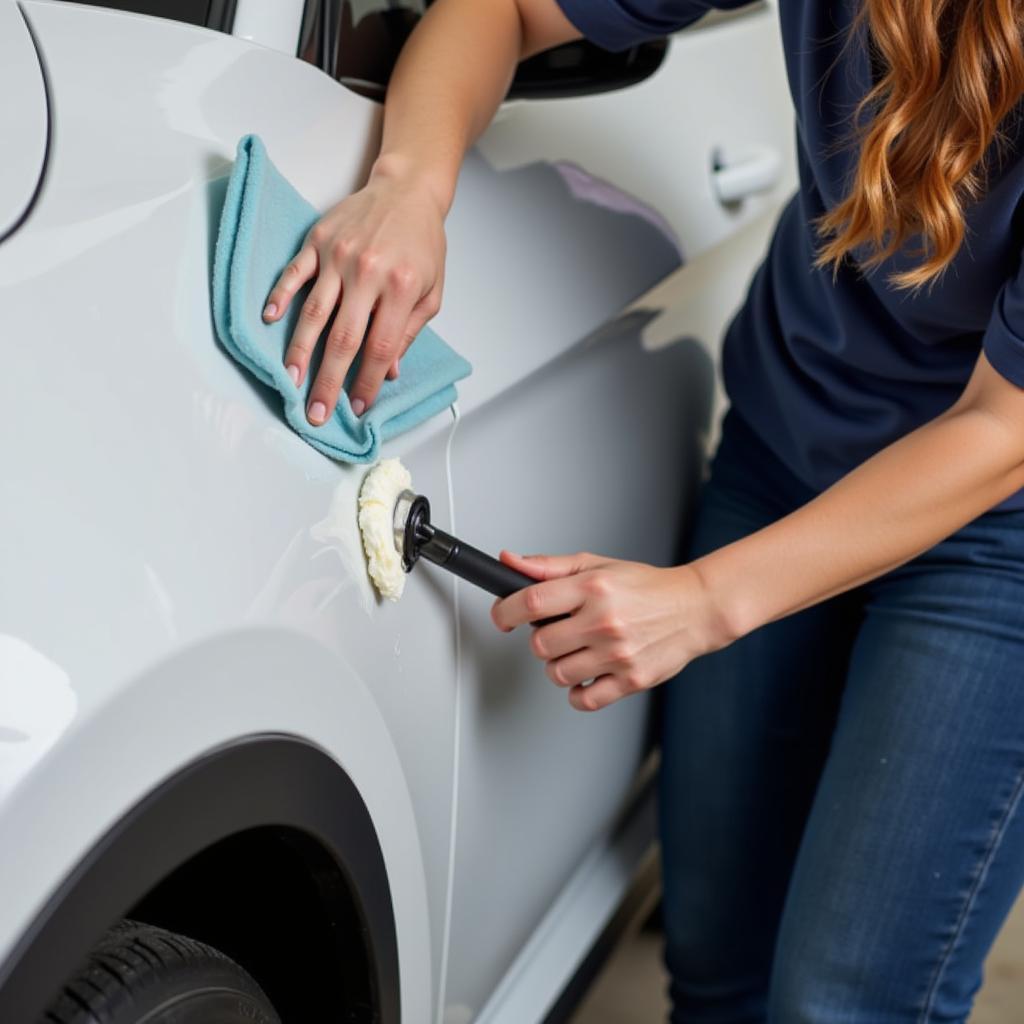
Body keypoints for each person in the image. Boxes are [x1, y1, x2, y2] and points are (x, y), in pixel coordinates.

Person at [263, 1, 1024, 1019]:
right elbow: (508, 7)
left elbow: (999, 430)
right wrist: (409, 184)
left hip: (997, 539)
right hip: (787, 445)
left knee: (840, 1001)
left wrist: (705, 600)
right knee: (715, 966)